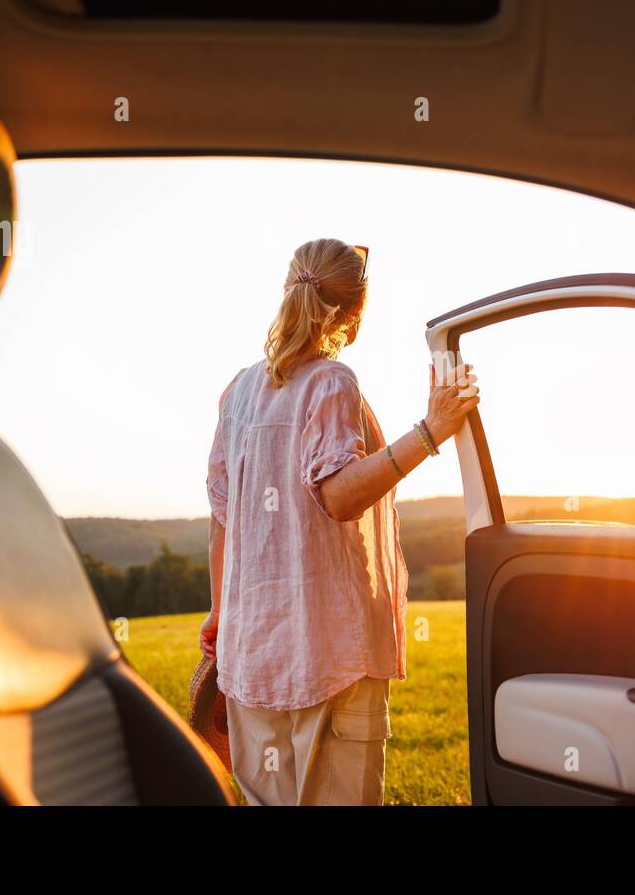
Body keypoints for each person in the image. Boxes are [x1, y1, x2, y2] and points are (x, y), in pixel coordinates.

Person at [200, 238, 479, 805]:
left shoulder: (238, 391)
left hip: (250, 654)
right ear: (355, 310)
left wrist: (219, 612)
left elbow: (221, 519)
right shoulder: (332, 382)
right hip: (330, 654)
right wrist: (430, 430)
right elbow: (339, 495)